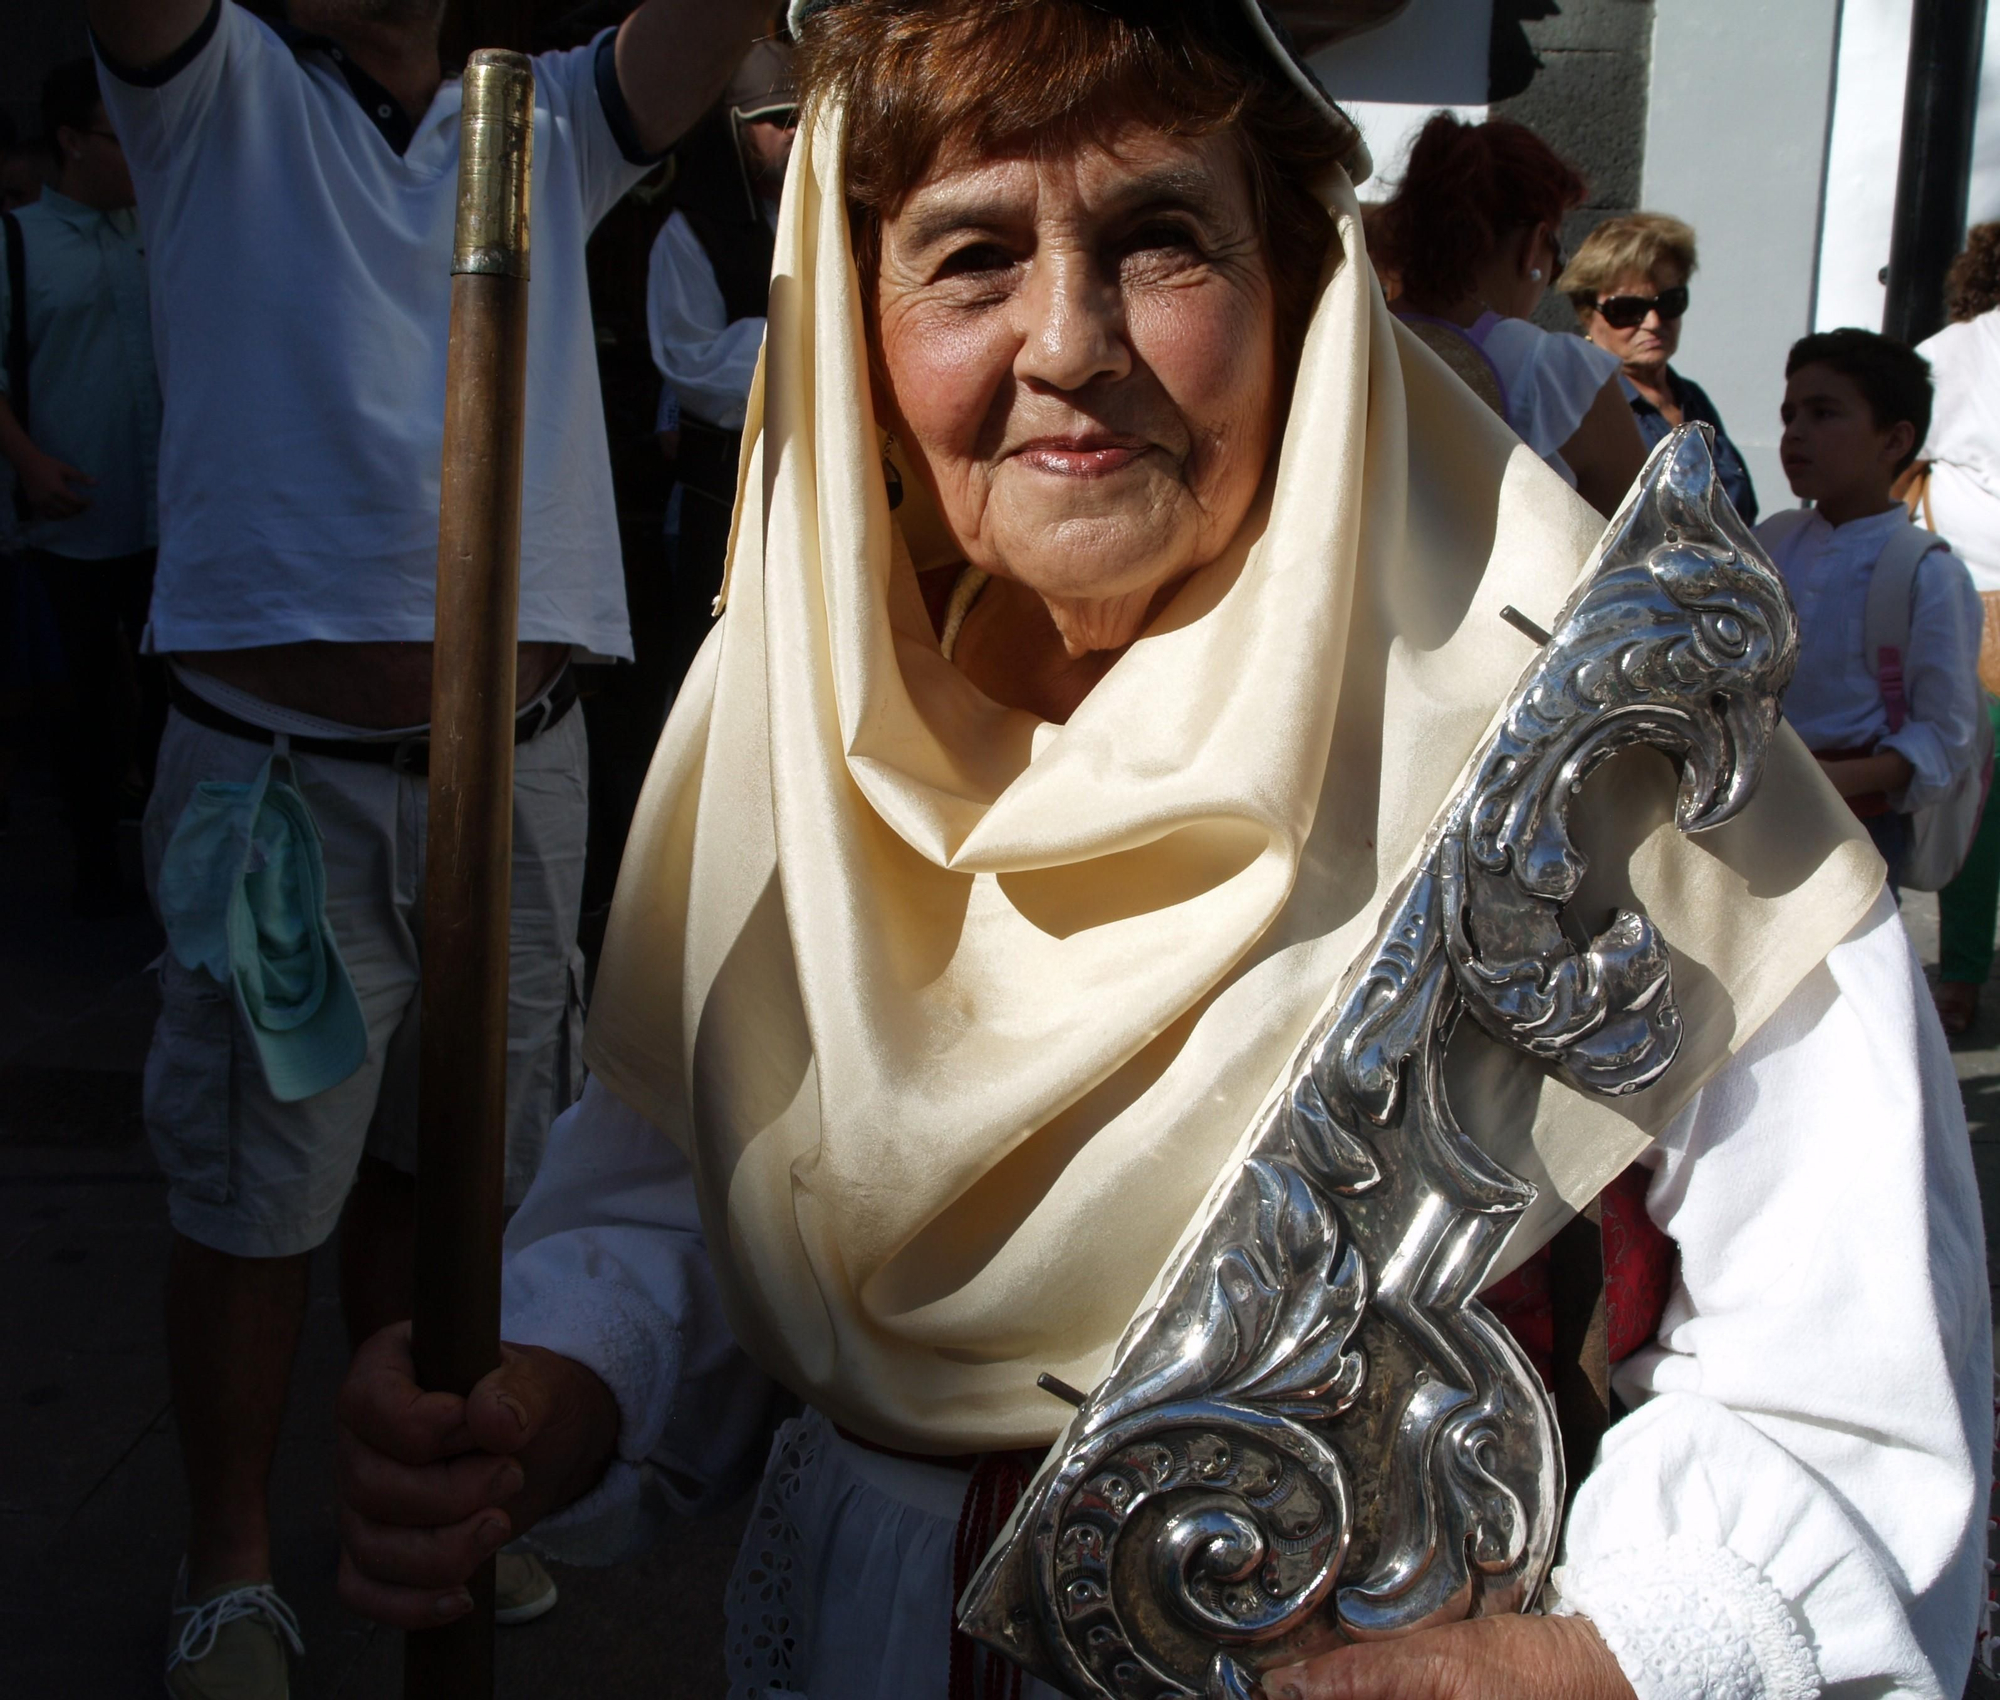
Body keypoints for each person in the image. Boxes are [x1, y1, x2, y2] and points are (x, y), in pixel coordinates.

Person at [333, 2, 1987, 1695]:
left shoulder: (1614, 744)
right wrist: (548, 1393)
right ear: (851, 316)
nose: (1069, 342)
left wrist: (1569, 1667)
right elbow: (708, 1201)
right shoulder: (801, 736)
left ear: (1297, 278)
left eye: (1160, 240)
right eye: (971, 257)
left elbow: (1844, 1385)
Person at [81, 0, 771, 1692]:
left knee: (456, 1179)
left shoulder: (540, 118)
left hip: (517, 773)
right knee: (255, 1199)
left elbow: (709, 28)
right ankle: (229, 1560)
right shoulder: (216, 88)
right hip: (282, 786)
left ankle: (428, 1505)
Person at [0, 58, 162, 914]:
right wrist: (29, 462)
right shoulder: (18, 242)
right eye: (117, 137)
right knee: (84, 698)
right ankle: (94, 859)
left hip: (167, 511)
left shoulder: (156, 225)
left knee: (171, 690)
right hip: (75, 515)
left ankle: (168, 852)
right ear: (70, 141)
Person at [1756, 330, 1984, 894]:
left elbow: (1945, 735)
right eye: (1789, 415)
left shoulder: (1928, 572)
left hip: (1859, 827)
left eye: (1823, 413)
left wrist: (1833, 779)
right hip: (1753, 807)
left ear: (1894, 440)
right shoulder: (1770, 540)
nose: (1796, 432)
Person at [1365, 111, 1646, 516]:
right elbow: (1641, 535)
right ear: (1533, 247)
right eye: (1558, 257)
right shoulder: (1556, 374)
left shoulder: (1345, 337)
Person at [645, 35, 798, 702]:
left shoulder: (822, 217)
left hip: (808, 490)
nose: (792, 132)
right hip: (724, 501)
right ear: (736, 129)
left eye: (800, 118)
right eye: (775, 120)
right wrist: (801, 337)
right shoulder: (690, 233)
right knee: (714, 670)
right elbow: (691, 362)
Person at [1915, 225, 2000, 1033]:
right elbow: (1900, 457)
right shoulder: (1953, 354)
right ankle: (1965, 970)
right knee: (1982, 797)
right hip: (1980, 603)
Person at [1561, 211, 1759, 523]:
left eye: (1669, 302)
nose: (1653, 323)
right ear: (1588, 313)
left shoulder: (1691, 398)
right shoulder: (1579, 403)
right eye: (1627, 309)